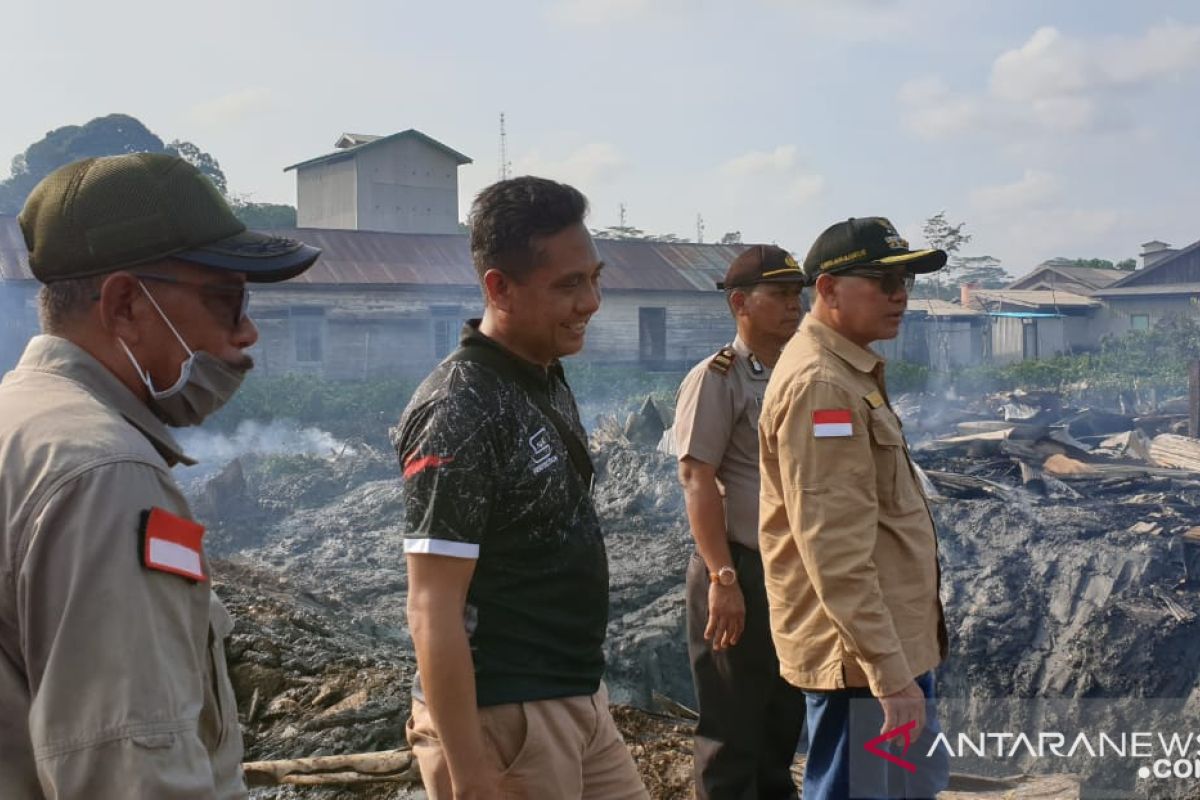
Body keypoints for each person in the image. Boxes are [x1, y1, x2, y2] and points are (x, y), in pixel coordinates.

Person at [0, 153, 321, 797]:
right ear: (125, 305)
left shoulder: (20, 421)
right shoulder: (106, 474)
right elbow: (129, 770)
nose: (249, 331)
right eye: (227, 299)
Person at [393, 176, 648, 800]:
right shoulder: (460, 407)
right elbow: (431, 607)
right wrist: (471, 776)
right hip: (505, 717)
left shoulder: (543, 374)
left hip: (577, 695)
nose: (591, 302)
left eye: (594, 277)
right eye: (568, 285)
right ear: (498, 288)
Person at [758, 217, 951, 800]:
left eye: (907, 281)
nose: (900, 296)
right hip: (863, 662)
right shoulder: (824, 386)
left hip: (885, 647)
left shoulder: (848, 369)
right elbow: (834, 549)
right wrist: (889, 672)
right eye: (881, 280)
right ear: (828, 289)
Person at [673, 245, 807, 799]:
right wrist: (722, 579)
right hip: (739, 569)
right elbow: (697, 480)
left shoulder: (802, 375)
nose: (793, 307)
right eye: (778, 295)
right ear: (739, 303)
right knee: (732, 734)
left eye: (797, 296)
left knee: (781, 724)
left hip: (792, 575)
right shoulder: (718, 378)